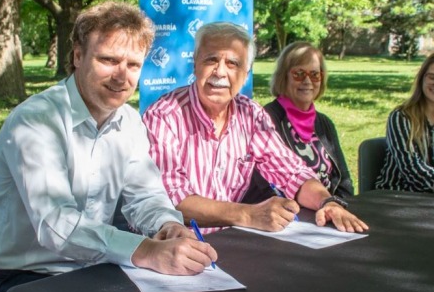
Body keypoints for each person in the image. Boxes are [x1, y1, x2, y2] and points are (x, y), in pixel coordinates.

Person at [0, 1, 217, 292]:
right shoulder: (35, 121)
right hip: (22, 280)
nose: (122, 77)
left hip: (92, 270)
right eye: (109, 60)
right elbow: (56, 224)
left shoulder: (128, 121)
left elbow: (146, 196)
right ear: (78, 56)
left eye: (133, 65)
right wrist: (146, 250)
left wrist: (167, 226)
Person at [143, 22, 368, 234]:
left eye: (232, 63)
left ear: (246, 74)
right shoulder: (164, 115)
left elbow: (291, 172)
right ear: (195, 64)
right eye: (211, 60)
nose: (220, 72)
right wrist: (248, 215)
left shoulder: (251, 114)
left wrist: (327, 201)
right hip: (178, 246)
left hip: (235, 243)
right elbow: (171, 199)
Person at [247, 41, 353, 200]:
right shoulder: (267, 119)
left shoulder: (324, 123)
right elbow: (267, 188)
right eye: (299, 74)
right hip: (292, 215)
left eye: (315, 74)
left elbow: (344, 180)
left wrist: (342, 206)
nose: (308, 81)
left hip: (329, 209)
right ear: (284, 77)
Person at [376, 53, 434, 192]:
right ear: (422, 79)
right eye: (432, 77)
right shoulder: (401, 117)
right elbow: (412, 169)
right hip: (396, 195)